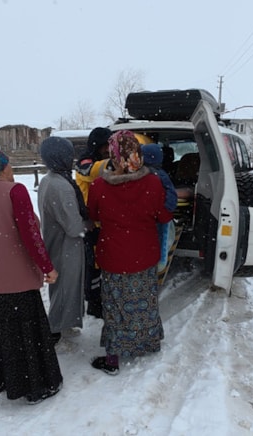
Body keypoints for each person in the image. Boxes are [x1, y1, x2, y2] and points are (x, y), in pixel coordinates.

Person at [0, 141, 64, 405]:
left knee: (5, 339)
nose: (12, 169)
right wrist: (47, 267)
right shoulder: (14, 191)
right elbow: (30, 234)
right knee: (29, 338)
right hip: (17, 281)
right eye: (8, 164)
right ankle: (38, 386)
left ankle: (9, 383)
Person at [87, 130, 173, 375]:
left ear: (112, 153)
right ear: (137, 151)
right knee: (145, 304)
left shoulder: (99, 186)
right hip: (144, 255)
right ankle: (149, 342)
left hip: (113, 256)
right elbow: (163, 214)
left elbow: (93, 215)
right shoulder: (153, 182)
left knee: (115, 308)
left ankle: (113, 359)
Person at [37, 136, 87, 344]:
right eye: (69, 154)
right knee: (66, 286)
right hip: (66, 245)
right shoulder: (61, 185)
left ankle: (62, 323)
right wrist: (88, 224)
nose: (72, 158)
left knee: (61, 287)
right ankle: (55, 328)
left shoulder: (49, 179)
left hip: (55, 241)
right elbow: (74, 226)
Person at [74, 127, 112, 319]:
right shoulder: (85, 161)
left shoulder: (100, 160)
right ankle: (94, 303)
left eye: (110, 145)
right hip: (90, 223)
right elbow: (93, 171)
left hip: (103, 222)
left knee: (103, 263)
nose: (108, 149)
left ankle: (100, 298)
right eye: (106, 145)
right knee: (94, 266)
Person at [141, 143, 178, 272]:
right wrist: (167, 210)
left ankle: (154, 262)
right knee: (162, 239)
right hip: (159, 215)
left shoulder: (140, 174)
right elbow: (171, 194)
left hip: (149, 215)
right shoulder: (162, 175)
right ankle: (159, 263)